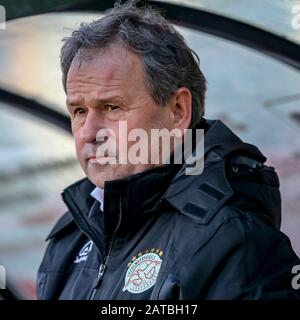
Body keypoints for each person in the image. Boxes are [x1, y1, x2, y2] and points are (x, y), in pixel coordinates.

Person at [37, 1, 300, 300]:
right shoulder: (71, 235)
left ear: (177, 110)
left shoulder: (231, 235)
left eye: (111, 107)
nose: (88, 132)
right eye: (79, 111)